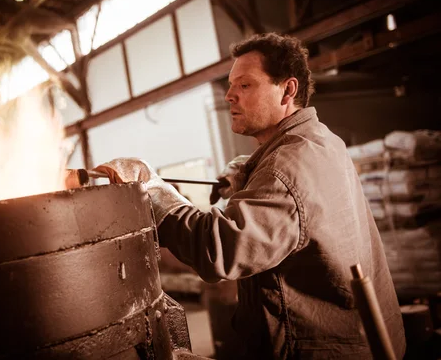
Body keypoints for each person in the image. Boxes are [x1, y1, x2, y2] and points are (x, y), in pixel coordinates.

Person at [94, 33, 405, 359]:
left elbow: (218, 248)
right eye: (231, 85)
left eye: (245, 85)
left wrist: (151, 187)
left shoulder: (286, 168)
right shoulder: (318, 140)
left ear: (288, 89)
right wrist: (249, 170)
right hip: (364, 338)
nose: (229, 95)